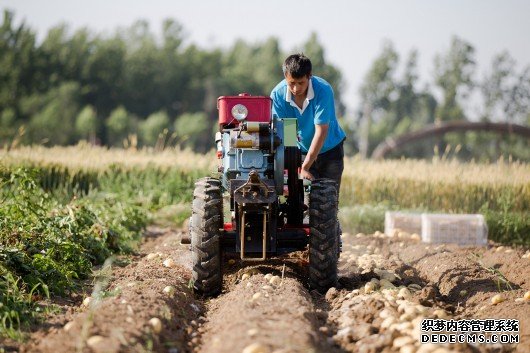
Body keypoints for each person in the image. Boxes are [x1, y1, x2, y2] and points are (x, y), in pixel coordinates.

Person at [270, 53, 346, 192]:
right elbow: (289, 135)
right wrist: (297, 167)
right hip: (302, 152)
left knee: (328, 200)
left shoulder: (323, 90)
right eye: (291, 83)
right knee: (303, 202)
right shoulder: (277, 95)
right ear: (285, 77)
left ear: (309, 76)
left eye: (301, 83)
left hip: (330, 151)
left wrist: (305, 167)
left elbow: (321, 130)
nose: (296, 89)